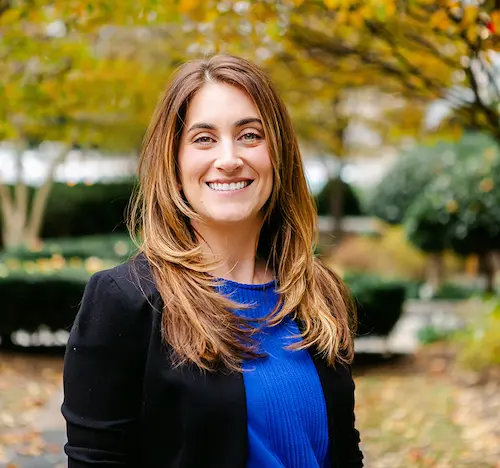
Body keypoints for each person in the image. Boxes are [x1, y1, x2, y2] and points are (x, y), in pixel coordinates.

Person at [62, 54, 364, 468]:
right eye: (204, 138)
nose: (229, 158)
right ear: (174, 160)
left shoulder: (318, 294)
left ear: (279, 153)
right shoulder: (125, 301)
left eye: (250, 135)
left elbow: (344, 454)